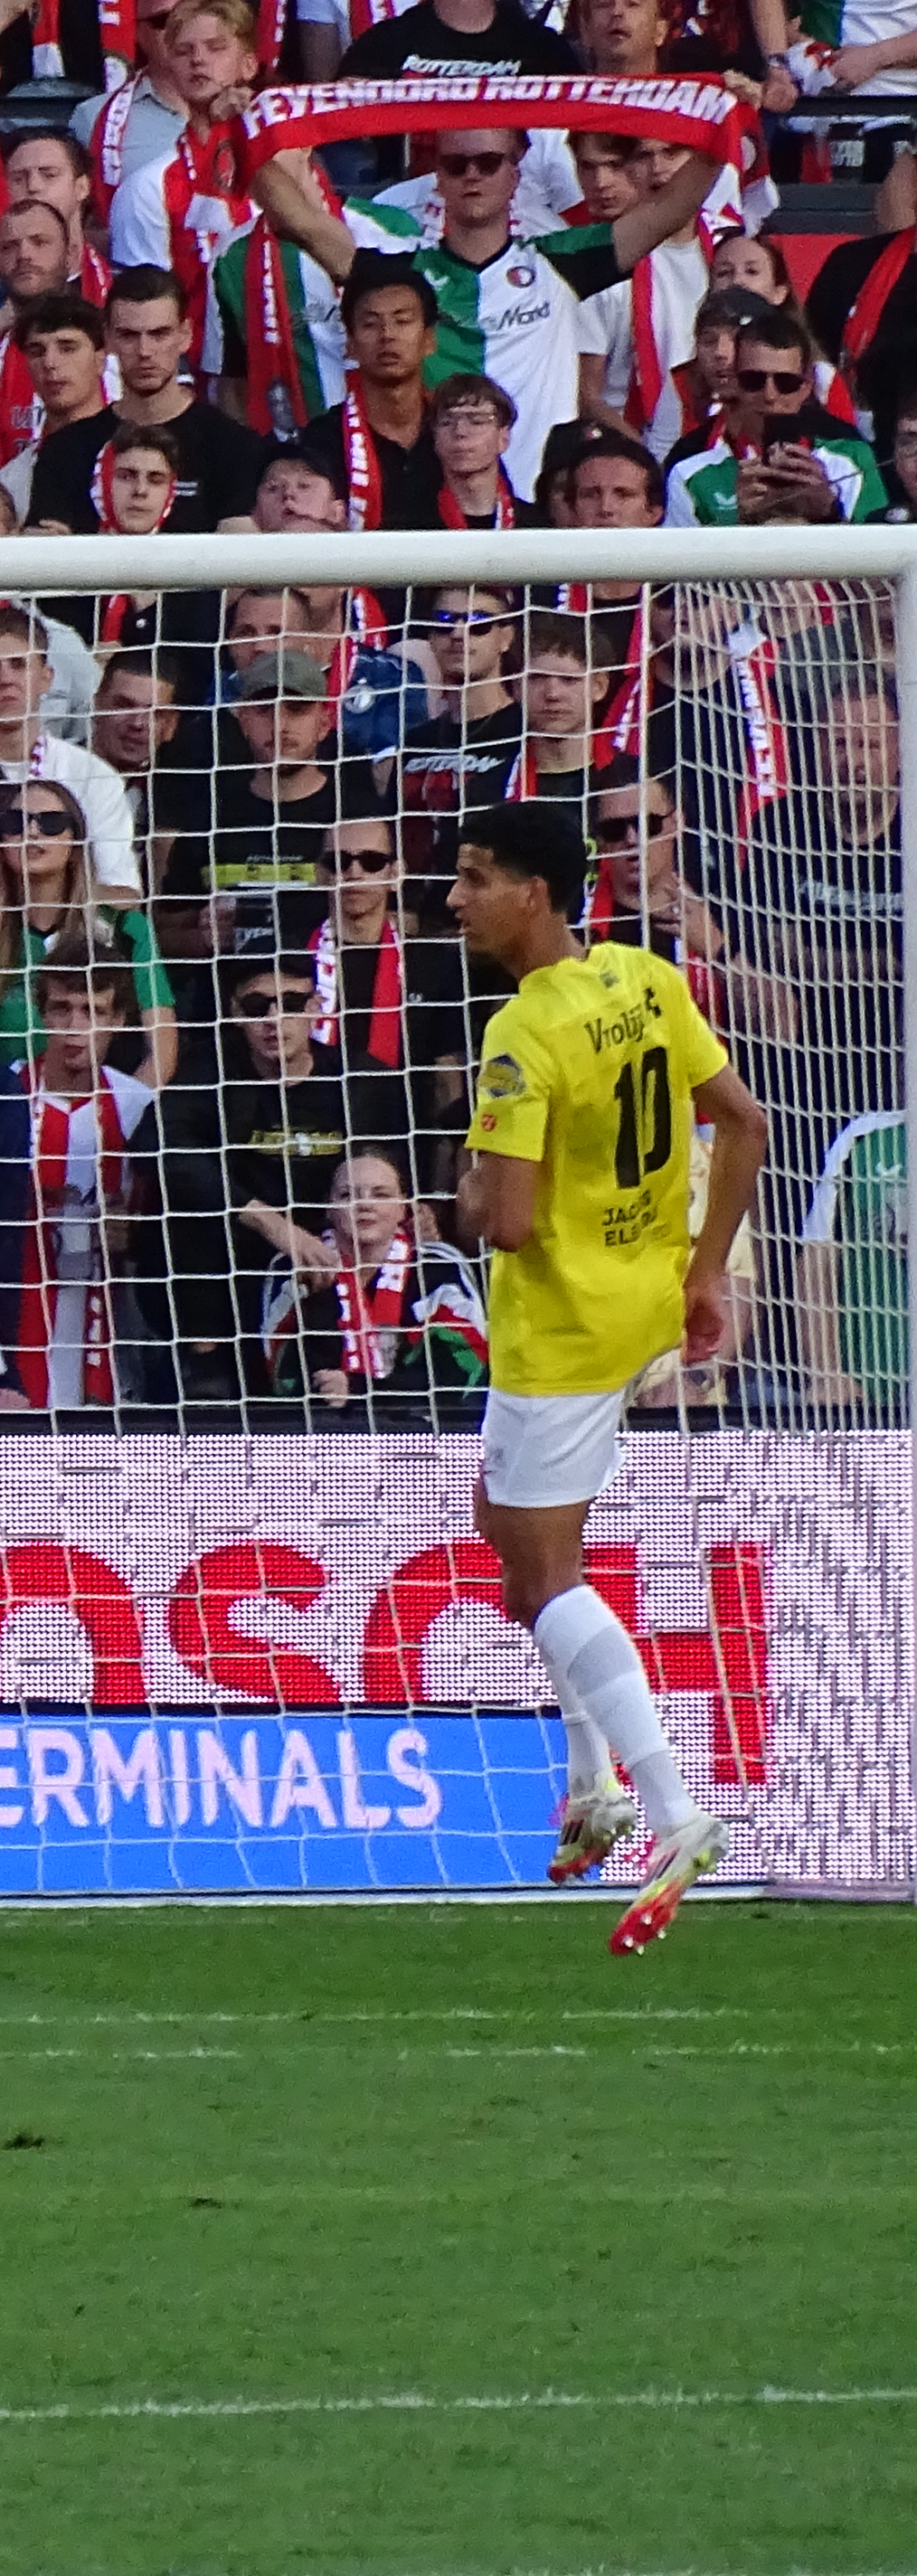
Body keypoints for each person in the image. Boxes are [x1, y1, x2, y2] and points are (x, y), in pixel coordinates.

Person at [446, 797, 772, 1951]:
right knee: (504, 1524)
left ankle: (671, 1808)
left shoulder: (521, 1035)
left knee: (543, 1577)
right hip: (642, 1298)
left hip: (565, 1328)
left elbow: (511, 1222)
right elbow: (740, 1120)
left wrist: (466, 1183)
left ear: (532, 894)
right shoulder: (645, 977)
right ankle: (595, 1790)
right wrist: (708, 1274)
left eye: (475, 876)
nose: (456, 896)